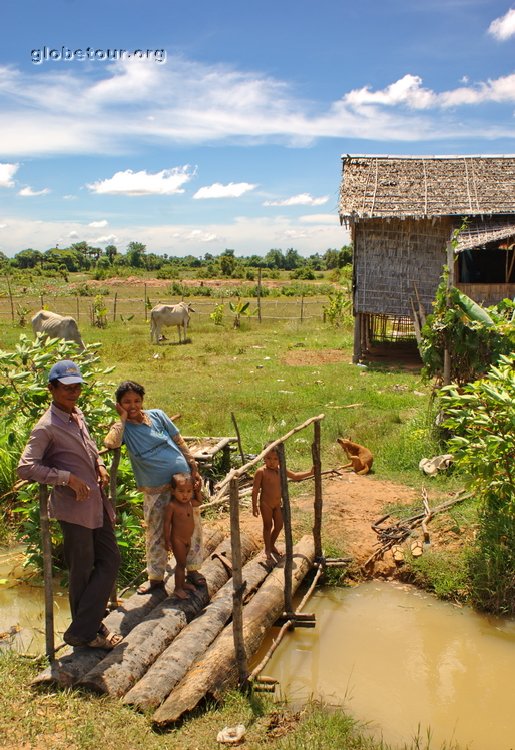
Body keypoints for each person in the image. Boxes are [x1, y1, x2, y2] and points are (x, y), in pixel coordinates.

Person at [17, 360, 121, 649]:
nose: (73, 392)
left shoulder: (77, 414)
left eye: (76, 387)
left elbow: (89, 447)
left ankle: (83, 627)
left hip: (96, 503)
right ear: (51, 389)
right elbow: (25, 467)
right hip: (73, 509)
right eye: (66, 388)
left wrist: (99, 463)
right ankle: (87, 632)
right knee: (82, 569)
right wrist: (66, 478)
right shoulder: (46, 427)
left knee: (110, 560)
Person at [104, 380, 205, 594]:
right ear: (119, 404)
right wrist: (121, 418)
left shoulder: (157, 415)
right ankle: (156, 578)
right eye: (127, 402)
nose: (133, 406)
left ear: (142, 401)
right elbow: (110, 443)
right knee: (156, 531)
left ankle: (193, 570)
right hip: (154, 488)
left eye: (137, 401)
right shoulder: (123, 428)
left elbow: (179, 441)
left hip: (182, 482)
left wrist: (193, 466)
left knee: (191, 526)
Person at [252, 445, 313, 564]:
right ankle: (267, 549)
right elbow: (255, 490)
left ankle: (272, 544)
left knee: (279, 525)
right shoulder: (261, 472)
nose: (272, 462)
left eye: (275, 459)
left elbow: (295, 476)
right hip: (266, 504)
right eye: (268, 458)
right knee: (268, 526)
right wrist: (254, 506)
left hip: (277, 504)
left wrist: (310, 473)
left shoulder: (281, 470)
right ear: (264, 457)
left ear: (280, 460)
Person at [163, 473, 202, 599]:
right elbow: (167, 523)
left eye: (189, 491)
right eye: (181, 491)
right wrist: (167, 539)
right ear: (173, 491)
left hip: (187, 539)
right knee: (180, 564)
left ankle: (182, 583)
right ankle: (177, 588)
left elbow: (199, 501)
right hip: (177, 540)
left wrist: (198, 490)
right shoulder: (172, 506)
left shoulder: (190, 502)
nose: (185, 495)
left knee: (183, 563)